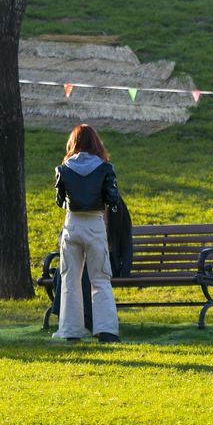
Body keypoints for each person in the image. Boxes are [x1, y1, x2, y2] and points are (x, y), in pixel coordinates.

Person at [53, 124, 120, 344]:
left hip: (72, 224)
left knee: (69, 278)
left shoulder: (64, 168)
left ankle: (70, 330)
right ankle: (106, 330)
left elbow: (60, 200)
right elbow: (112, 198)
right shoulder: (105, 168)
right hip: (94, 223)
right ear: (95, 143)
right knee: (100, 277)